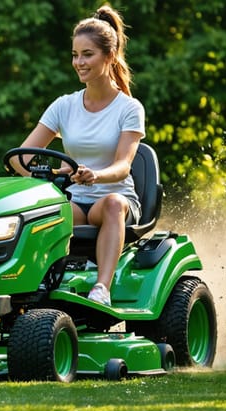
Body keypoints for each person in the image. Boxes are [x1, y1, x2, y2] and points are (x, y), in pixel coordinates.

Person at [14, 4, 145, 306]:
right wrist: (53, 175)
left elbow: (124, 166)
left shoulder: (129, 109)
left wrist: (95, 175)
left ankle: (102, 288)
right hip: (74, 199)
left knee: (112, 204)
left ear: (109, 57)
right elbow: (22, 158)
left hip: (113, 198)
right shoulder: (63, 106)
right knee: (39, 213)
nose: (79, 62)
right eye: (75, 55)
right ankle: (30, 288)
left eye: (88, 54)